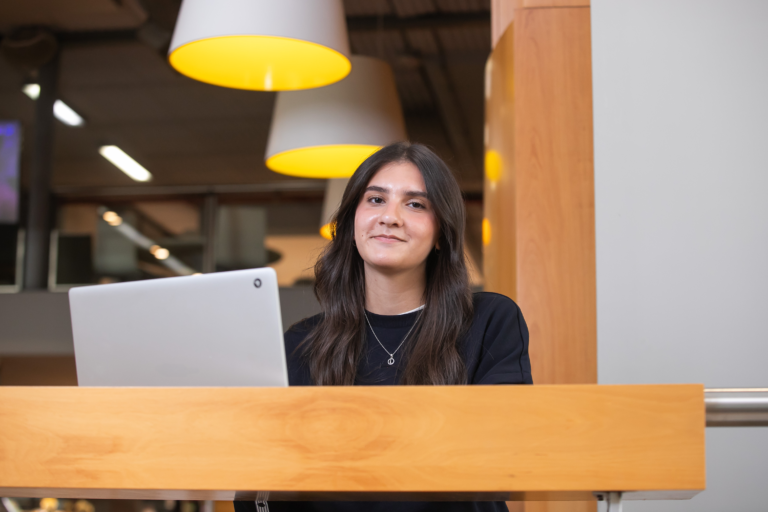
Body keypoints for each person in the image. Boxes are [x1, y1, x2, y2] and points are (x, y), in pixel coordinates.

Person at [235, 142, 532, 512]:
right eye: (376, 200)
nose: (390, 217)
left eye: (415, 204)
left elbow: (503, 456)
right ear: (351, 223)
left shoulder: (490, 321)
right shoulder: (302, 343)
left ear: (442, 232)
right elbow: (260, 490)